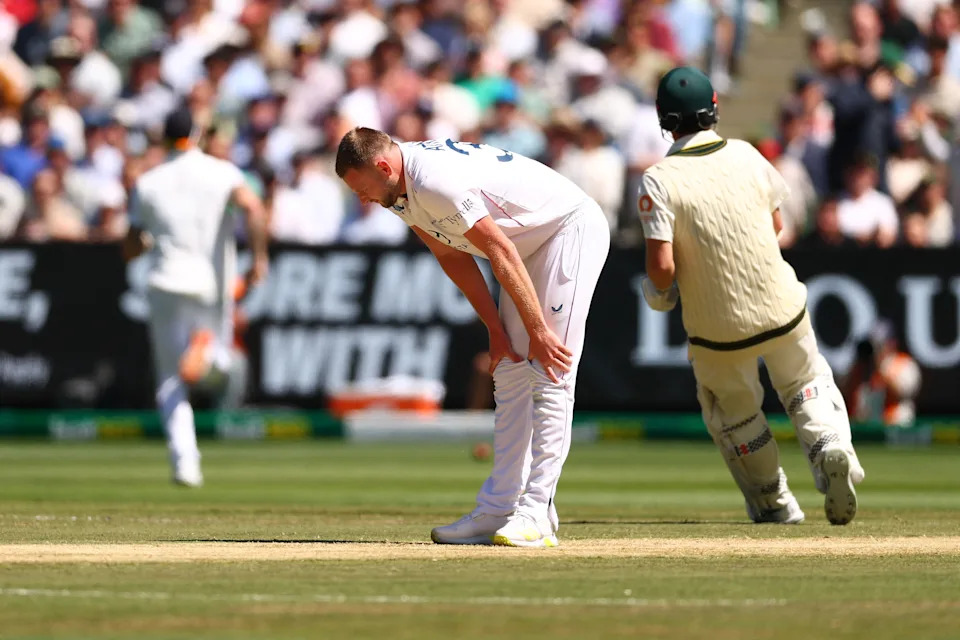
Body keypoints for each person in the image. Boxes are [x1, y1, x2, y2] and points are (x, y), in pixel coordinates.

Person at [335, 127, 610, 547]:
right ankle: (498, 508)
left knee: (550, 367)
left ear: (383, 167)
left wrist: (537, 328)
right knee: (510, 371)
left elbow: (497, 249)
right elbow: (452, 257)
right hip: (525, 247)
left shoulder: (433, 181)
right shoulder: (397, 189)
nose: (363, 199)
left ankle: (536, 512)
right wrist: (496, 332)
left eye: (363, 188)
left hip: (566, 229)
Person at [637, 67, 866, 526]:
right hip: (781, 306)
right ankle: (829, 449)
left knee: (735, 414)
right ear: (714, 109)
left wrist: (659, 293)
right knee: (805, 384)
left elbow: (662, 267)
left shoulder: (658, 179)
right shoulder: (747, 154)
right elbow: (778, 226)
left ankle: (773, 501)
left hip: (716, 327)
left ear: (666, 120)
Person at [122, 107, 269, 487]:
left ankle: (185, 464)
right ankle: (207, 358)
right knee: (221, 363)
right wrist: (259, 257)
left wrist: (144, 239)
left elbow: (130, 247)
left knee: (170, 381)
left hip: (165, 283)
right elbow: (253, 208)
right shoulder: (221, 172)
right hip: (209, 286)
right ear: (198, 135)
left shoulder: (148, 182)